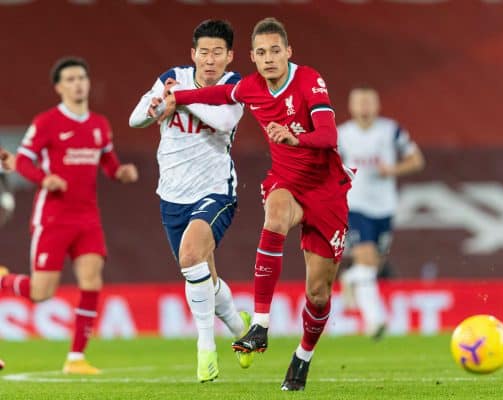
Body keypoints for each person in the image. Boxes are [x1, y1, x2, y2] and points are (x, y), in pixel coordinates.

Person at [156, 17, 353, 391]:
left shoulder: (309, 80)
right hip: (286, 183)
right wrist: (177, 97)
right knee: (275, 214)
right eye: (261, 53)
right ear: (251, 57)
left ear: (288, 52)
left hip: (326, 191)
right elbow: (215, 96)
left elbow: (328, 135)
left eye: (275, 51)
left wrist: (297, 140)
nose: (268, 59)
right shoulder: (250, 87)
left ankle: (303, 356)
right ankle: (260, 324)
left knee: (318, 292)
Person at [128, 19, 253, 382]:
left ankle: (205, 348)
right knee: (202, 276)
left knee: (191, 257)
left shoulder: (235, 86)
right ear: (193, 53)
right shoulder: (173, 76)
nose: (209, 60)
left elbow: (223, 121)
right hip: (172, 194)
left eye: (218, 53)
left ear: (229, 56)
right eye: (204, 52)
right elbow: (136, 118)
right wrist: (157, 105)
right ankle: (240, 329)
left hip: (216, 190)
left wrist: (179, 100)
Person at [0, 57, 138, 375]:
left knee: (92, 281)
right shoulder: (47, 122)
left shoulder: (99, 125)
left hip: (88, 218)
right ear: (59, 87)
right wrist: (43, 179)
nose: (78, 83)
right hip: (53, 217)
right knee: (41, 293)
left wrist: (122, 172)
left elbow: (109, 164)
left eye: (82, 78)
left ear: (88, 83)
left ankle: (76, 358)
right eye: (71, 79)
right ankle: (4, 280)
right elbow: (23, 162)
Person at [337, 87, 425, 339]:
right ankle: (375, 321)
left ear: (377, 106)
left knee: (373, 264)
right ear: (352, 107)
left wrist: (393, 170)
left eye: (368, 102)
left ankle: (351, 277)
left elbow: (417, 160)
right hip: (356, 206)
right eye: (359, 103)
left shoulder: (391, 131)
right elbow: (326, 167)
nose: (364, 107)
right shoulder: (342, 135)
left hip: (385, 207)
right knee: (365, 259)